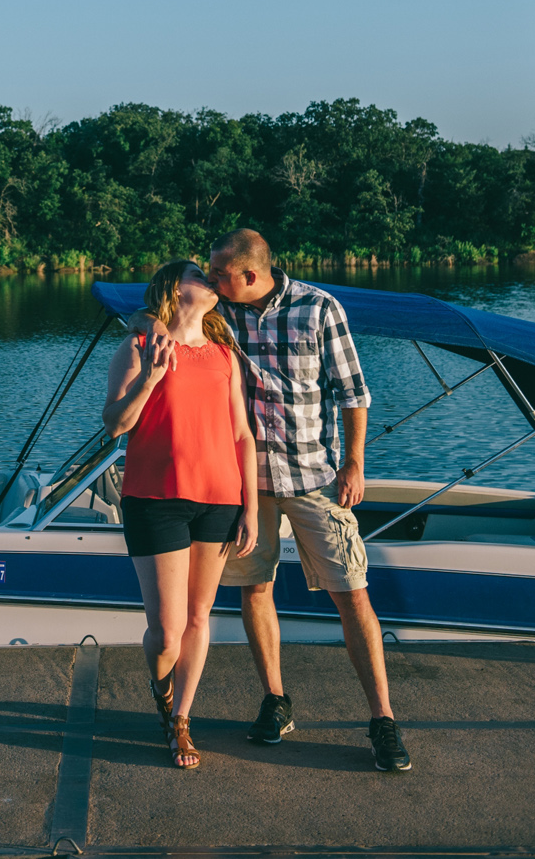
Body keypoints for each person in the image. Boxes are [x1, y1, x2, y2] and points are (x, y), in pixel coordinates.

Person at [131, 229, 412, 773]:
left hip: (313, 478)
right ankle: (276, 700)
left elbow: (354, 393)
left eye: (219, 275)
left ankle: (382, 719)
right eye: (206, 276)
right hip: (248, 485)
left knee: (352, 594)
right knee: (256, 589)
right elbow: (157, 312)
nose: (210, 282)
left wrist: (354, 462)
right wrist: (143, 322)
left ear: (250, 276)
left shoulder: (319, 308)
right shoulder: (223, 315)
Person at [103, 258, 258, 770]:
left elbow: (241, 434)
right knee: (167, 631)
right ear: (175, 288)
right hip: (155, 498)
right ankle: (161, 687)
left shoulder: (224, 353)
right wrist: (150, 376)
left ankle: (182, 721)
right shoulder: (138, 345)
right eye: (199, 274)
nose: (211, 282)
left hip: (219, 498)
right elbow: (115, 426)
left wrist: (250, 507)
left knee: (198, 617)